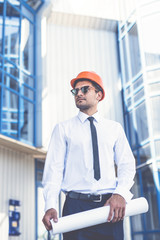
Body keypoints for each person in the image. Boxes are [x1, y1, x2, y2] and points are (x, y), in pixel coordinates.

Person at [42, 71, 136, 240]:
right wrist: (50, 205)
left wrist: (120, 194)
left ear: (99, 95)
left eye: (85, 89)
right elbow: (53, 170)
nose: (78, 93)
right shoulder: (63, 129)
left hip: (110, 207)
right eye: (75, 91)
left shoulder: (114, 128)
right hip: (75, 207)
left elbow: (127, 164)